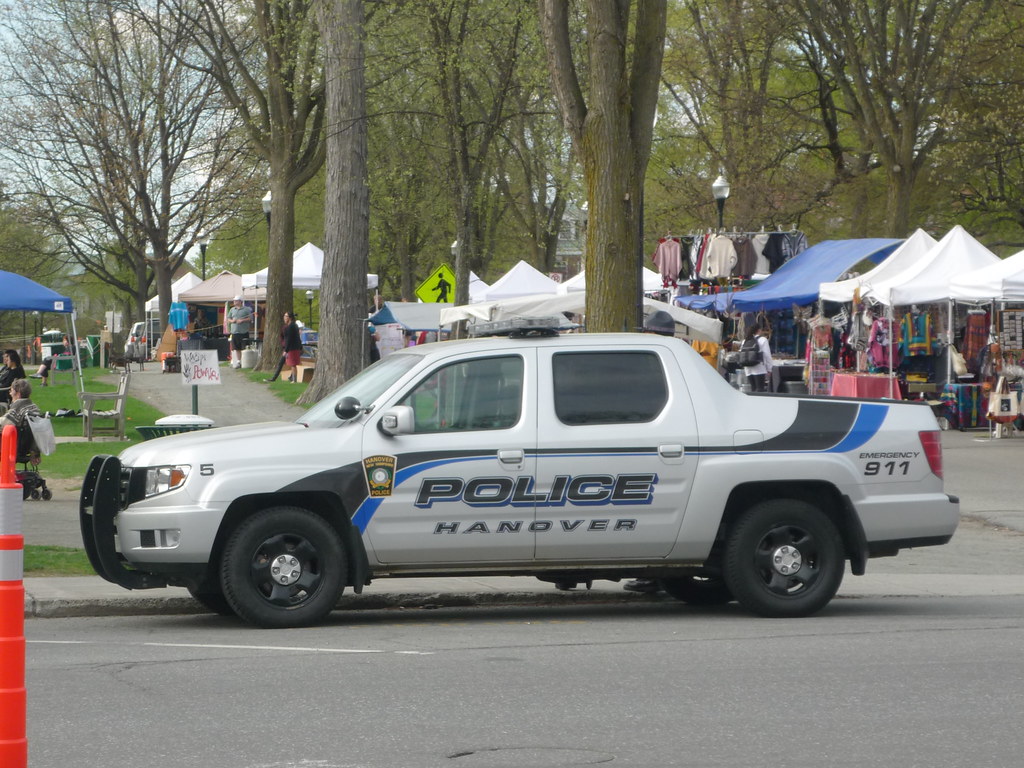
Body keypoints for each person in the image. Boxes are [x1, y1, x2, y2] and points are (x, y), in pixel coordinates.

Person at [0, 378, 42, 464]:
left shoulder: (17, 409)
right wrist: (36, 453)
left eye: (11, 391)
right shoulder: (34, 409)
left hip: (12, 447)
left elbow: (3, 425)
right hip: (26, 448)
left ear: (18, 394)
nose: (10, 393)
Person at [264, 311, 303, 383]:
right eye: (284, 316)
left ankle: (294, 380)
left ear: (290, 318)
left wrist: (286, 350)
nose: (284, 318)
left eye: (286, 316)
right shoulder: (290, 326)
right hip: (290, 348)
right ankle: (275, 378)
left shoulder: (291, 327)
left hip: (292, 348)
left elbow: (289, 339)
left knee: (293, 364)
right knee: (282, 363)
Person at [742, 322, 774, 392]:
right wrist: (769, 369)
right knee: (760, 389)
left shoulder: (745, 340)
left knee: (753, 388)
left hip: (747, 368)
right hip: (759, 367)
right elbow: (767, 355)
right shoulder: (763, 340)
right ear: (759, 330)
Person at [227, 296, 254, 369]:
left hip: (243, 331)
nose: (234, 302)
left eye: (236, 301)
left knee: (244, 347)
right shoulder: (232, 309)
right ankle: (238, 362)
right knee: (236, 348)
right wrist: (232, 321)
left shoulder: (246, 309)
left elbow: (250, 318)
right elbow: (228, 318)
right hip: (235, 332)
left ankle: (245, 361)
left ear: (240, 301)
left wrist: (242, 320)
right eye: (234, 301)